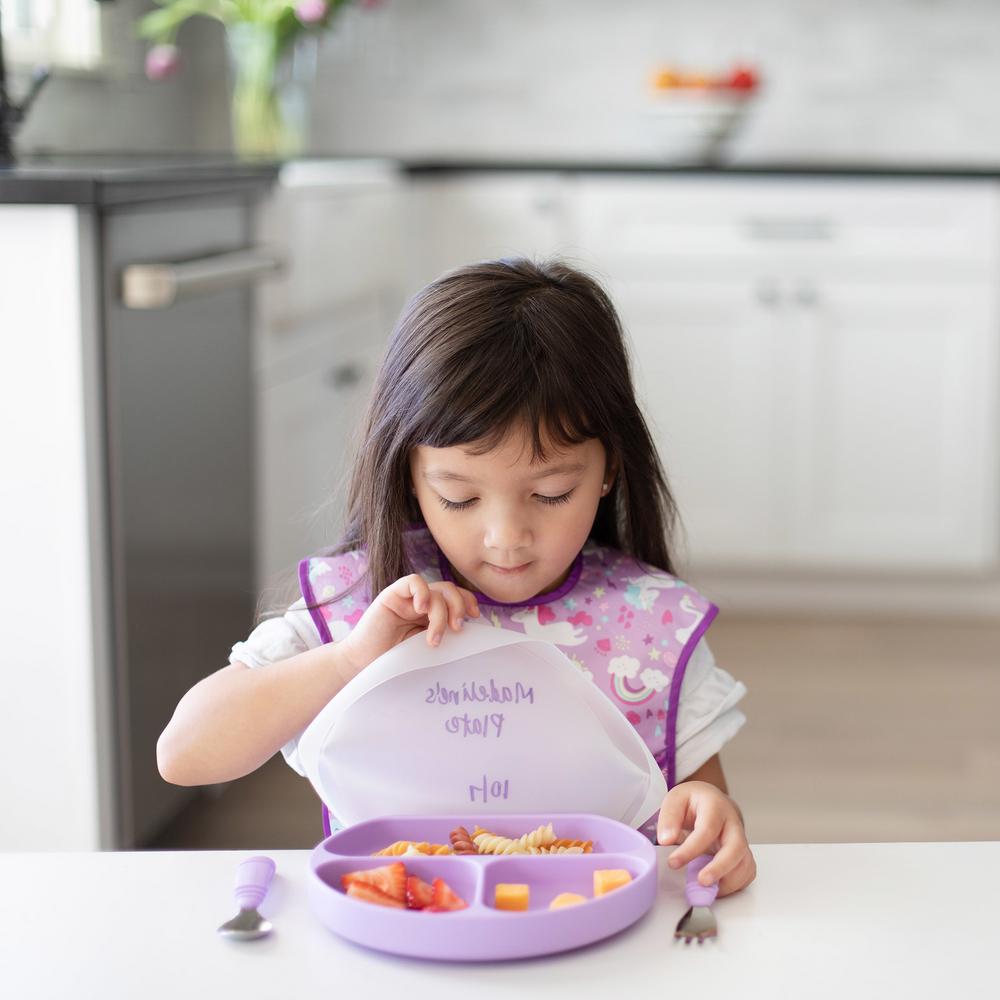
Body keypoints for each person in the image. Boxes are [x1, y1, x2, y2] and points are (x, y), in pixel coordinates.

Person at [157, 257, 756, 897]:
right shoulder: (364, 607)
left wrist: (712, 822)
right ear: (409, 477)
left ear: (609, 470)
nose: (506, 537)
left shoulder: (651, 624)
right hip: (400, 940)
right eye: (461, 499)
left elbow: (702, 814)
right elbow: (185, 754)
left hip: (590, 943)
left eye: (552, 493)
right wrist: (349, 660)